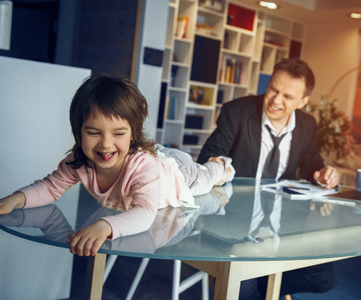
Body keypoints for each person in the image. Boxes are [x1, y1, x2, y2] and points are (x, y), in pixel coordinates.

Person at [0, 74, 233, 257]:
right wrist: (15, 199)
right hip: (153, 157)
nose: (106, 144)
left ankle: (222, 165)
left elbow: (144, 213)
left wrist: (104, 226)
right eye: (93, 132)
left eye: (118, 133)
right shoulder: (78, 160)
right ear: (78, 131)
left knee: (208, 179)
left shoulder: (143, 167)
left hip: (177, 172)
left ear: (132, 134)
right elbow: (49, 188)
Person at [197, 58, 339, 299]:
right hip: (236, 219)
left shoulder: (307, 125)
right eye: (273, 89)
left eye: (287, 96)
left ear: (303, 101)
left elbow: (311, 163)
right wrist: (218, 165)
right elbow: (210, 155)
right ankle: (252, 283)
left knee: (324, 277)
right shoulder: (237, 112)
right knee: (242, 288)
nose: (275, 100)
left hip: (284, 224)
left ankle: (262, 286)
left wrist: (323, 173)